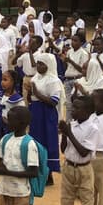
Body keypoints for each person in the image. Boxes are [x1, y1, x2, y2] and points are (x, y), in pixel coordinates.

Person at [46, 95, 99, 205]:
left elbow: (83, 152)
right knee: (66, 200)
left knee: (87, 204)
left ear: (88, 111)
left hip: (84, 169)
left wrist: (68, 133)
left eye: (77, 108)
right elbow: (64, 149)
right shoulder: (72, 125)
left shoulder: (93, 129)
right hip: (69, 166)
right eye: (73, 107)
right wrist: (63, 134)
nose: (73, 110)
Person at [26, 53, 63, 183]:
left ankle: (49, 173)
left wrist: (37, 93)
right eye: (38, 63)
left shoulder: (53, 80)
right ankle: (37, 171)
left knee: (48, 141)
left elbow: (53, 101)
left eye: (42, 64)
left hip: (47, 113)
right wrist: (30, 94)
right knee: (36, 140)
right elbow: (31, 99)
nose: (38, 66)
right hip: (36, 112)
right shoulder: (36, 78)